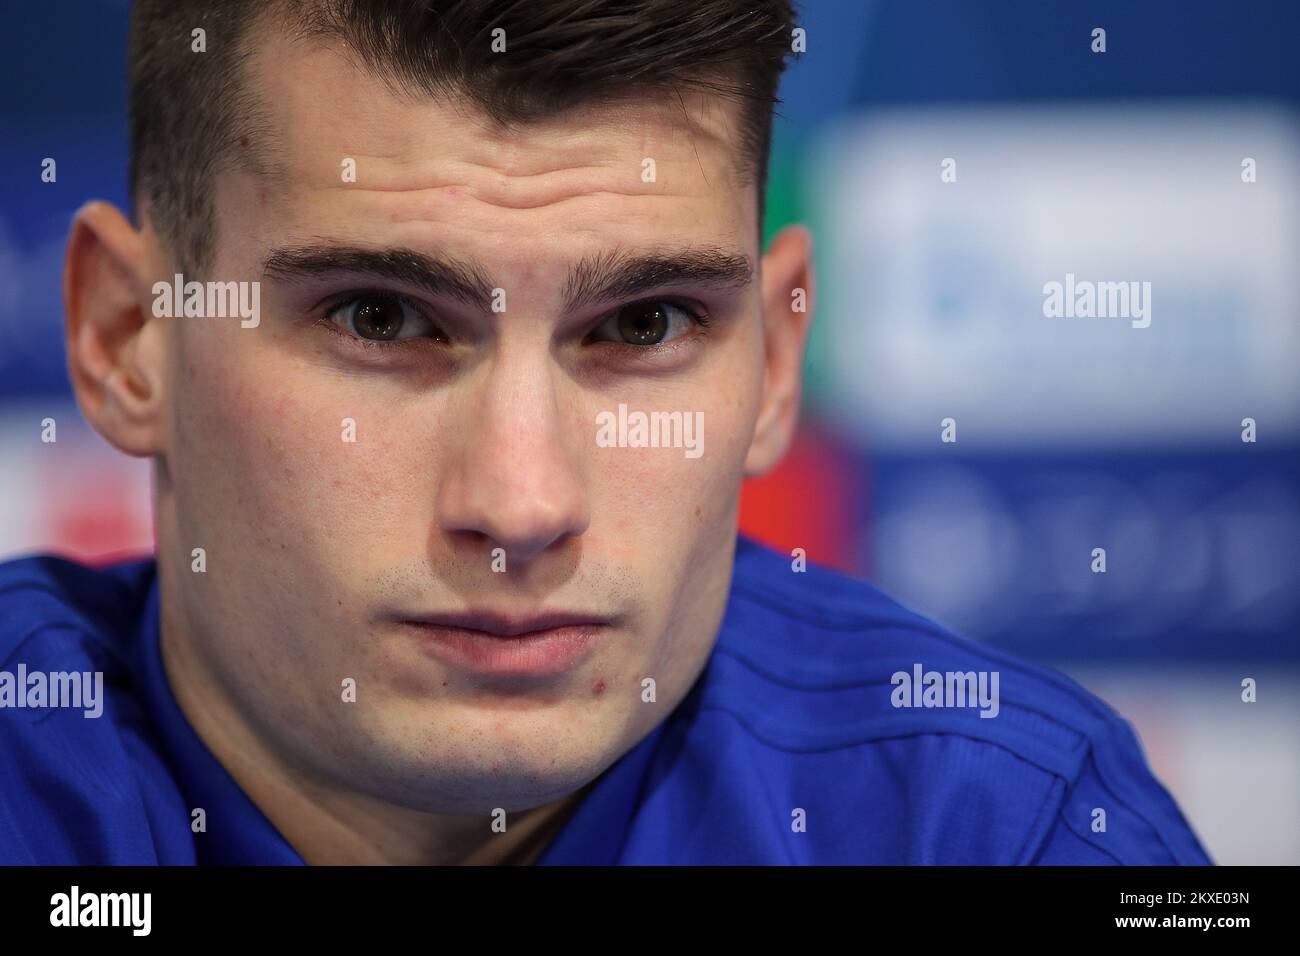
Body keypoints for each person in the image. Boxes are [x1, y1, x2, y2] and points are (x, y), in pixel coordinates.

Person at [0, 0, 1211, 865]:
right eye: (380, 317)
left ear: (776, 361)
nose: (521, 506)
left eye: (643, 322)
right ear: (128, 337)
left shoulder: (1001, 829)